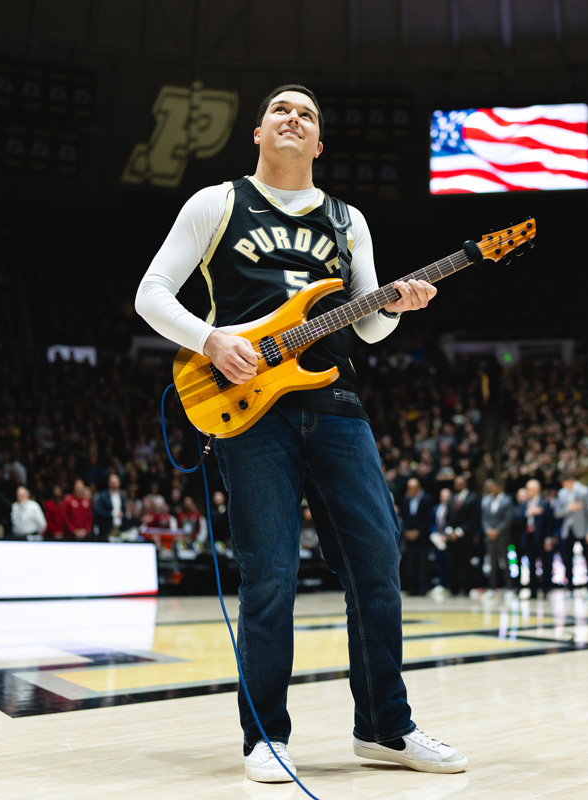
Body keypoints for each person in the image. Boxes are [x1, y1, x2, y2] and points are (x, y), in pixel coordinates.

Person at [135, 84, 465, 781]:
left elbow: (370, 324)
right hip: (250, 410)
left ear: (319, 144)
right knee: (270, 575)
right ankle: (266, 738)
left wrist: (399, 305)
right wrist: (210, 340)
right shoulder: (216, 203)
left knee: (377, 564)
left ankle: (384, 728)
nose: (293, 118)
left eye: (307, 115)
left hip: (337, 403)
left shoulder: (348, 220)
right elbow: (152, 293)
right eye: (281, 110)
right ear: (258, 132)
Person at [553, 471, 588, 591]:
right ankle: (569, 586)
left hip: (582, 529)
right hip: (567, 530)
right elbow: (557, 512)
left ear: (570, 481)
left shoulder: (584, 491)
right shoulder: (562, 493)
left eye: (564, 483)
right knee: (567, 558)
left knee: (587, 557)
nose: (563, 486)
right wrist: (568, 508)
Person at [398, 477, 435, 596]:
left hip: (422, 537)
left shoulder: (427, 499)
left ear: (418, 487)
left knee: (422, 564)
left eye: (412, 488)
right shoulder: (406, 500)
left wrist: (418, 531)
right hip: (409, 537)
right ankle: (412, 588)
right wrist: (407, 532)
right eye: (409, 488)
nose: (410, 490)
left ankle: (422, 588)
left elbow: (428, 517)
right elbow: (404, 517)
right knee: (410, 563)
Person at [445, 475, 481, 596]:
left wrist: (459, 532)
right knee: (452, 564)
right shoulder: (452, 497)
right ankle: (453, 589)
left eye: (459, 483)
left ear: (464, 484)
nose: (456, 485)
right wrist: (450, 531)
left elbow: (473, 519)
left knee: (465, 563)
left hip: (465, 536)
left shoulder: (472, 498)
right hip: (452, 537)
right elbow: (448, 517)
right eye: (455, 483)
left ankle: (466, 589)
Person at [480, 479, 514, 596]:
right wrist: (488, 530)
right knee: (491, 563)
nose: (491, 490)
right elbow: (484, 518)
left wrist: (497, 530)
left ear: (499, 488)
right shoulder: (486, 500)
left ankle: (510, 587)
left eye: (493, 487)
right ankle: (492, 587)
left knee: (507, 562)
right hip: (490, 537)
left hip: (503, 537)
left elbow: (508, 519)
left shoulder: (507, 500)